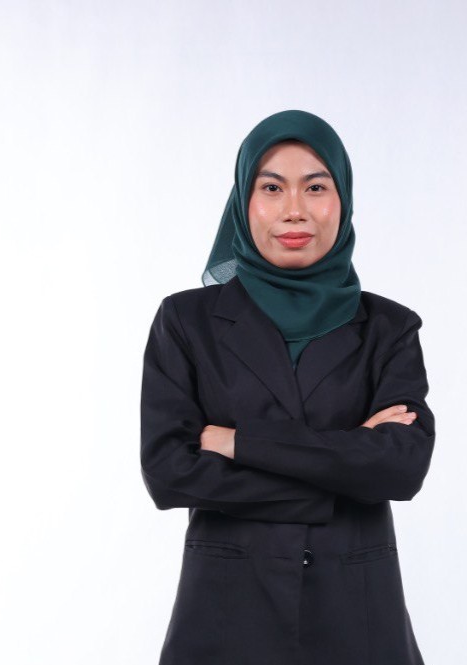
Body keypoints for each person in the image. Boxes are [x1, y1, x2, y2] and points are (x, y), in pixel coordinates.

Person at [140, 109, 436, 665]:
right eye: (272, 187)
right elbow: (168, 472)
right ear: (242, 201)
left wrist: (238, 443)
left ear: (343, 199)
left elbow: (402, 468)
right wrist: (343, 472)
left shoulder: (390, 328)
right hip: (224, 620)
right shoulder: (186, 322)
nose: (294, 209)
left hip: (358, 623)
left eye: (316, 187)